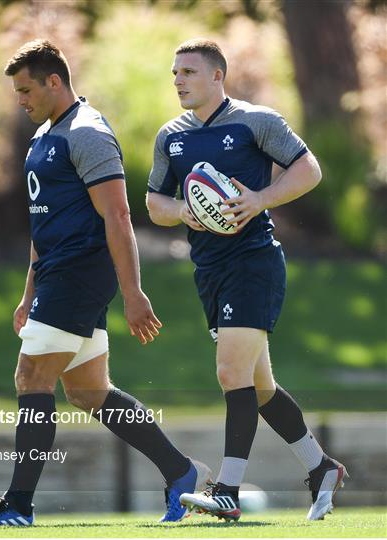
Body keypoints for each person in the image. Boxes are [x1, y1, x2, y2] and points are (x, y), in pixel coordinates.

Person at [0, 39, 210, 527]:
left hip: (79, 274)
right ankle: (180, 472)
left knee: (31, 377)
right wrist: (27, 294)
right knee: (89, 392)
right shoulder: (43, 137)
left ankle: (17, 505)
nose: (21, 100)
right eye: (16, 91)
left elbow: (118, 215)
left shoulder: (88, 133)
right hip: (55, 274)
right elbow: (42, 223)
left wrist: (134, 294)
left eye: (27, 89)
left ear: (56, 81)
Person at [146, 38, 348, 522]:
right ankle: (320, 468)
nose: (179, 80)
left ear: (218, 75)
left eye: (189, 72)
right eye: (175, 73)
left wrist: (259, 199)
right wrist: (183, 211)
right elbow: (156, 203)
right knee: (259, 388)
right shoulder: (169, 135)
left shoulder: (256, 121)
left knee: (230, 374)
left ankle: (227, 492)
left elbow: (309, 169)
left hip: (253, 262)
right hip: (209, 271)